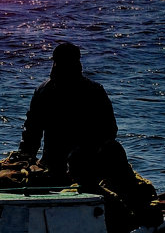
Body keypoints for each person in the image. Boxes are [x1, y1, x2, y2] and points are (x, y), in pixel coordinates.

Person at [18, 42, 117, 184]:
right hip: (54, 164)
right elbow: (31, 133)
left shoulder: (94, 91)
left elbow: (109, 132)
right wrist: (24, 160)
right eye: (58, 63)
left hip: (85, 165)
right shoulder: (43, 91)